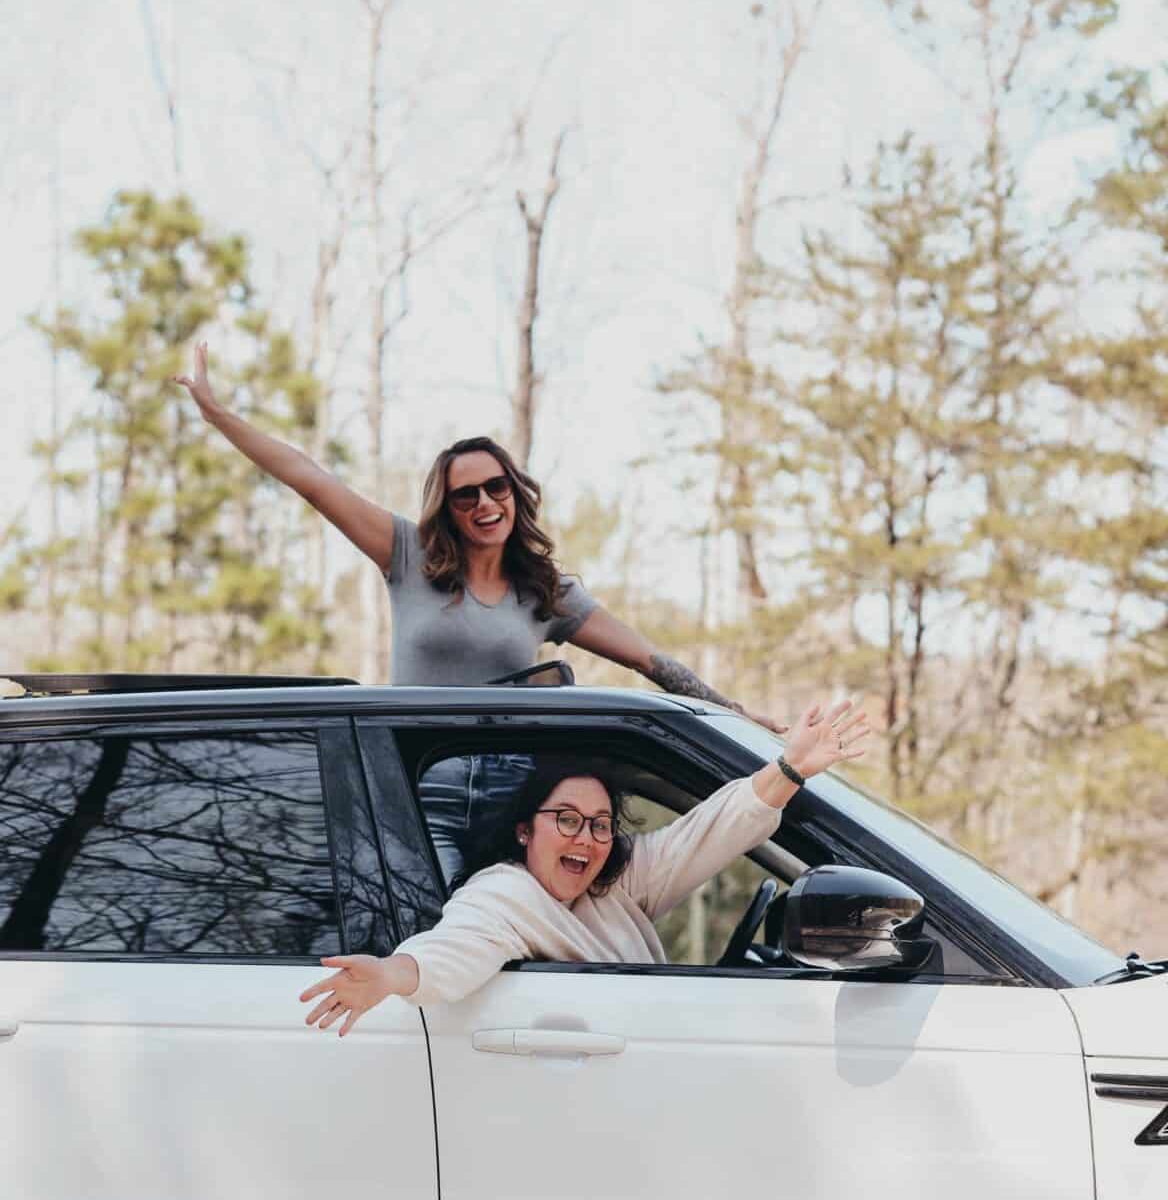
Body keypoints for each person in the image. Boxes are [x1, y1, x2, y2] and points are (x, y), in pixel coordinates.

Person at [172, 342, 790, 878]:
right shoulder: (408, 555)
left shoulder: (545, 592)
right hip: (420, 790)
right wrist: (217, 413)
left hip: (512, 800)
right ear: (448, 507)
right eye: (466, 495)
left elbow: (651, 662)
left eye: (496, 488)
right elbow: (308, 478)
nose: (485, 503)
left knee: (503, 952)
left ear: (514, 494)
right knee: (432, 940)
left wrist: (735, 715)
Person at [299, 698, 869, 1032]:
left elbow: (710, 832)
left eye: (600, 824)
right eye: (566, 819)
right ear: (525, 829)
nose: (587, 837)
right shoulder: (502, 896)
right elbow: (452, 952)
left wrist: (788, 770)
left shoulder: (615, 885)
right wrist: (391, 975)